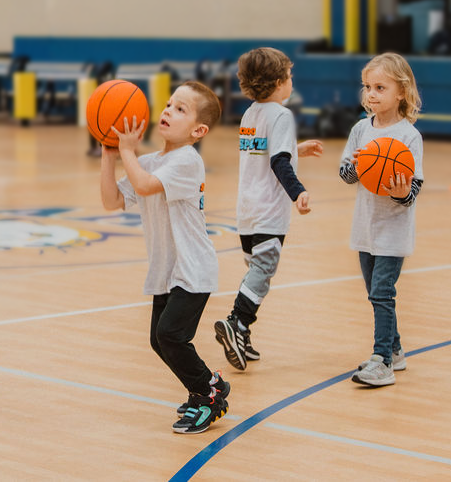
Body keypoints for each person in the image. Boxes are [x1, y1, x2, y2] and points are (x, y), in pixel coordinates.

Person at [100, 80, 230, 433]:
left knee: (171, 335)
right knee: (159, 340)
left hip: (193, 268)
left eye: (181, 109)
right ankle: (206, 383)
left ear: (198, 130)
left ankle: (208, 395)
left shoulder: (187, 160)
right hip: (168, 268)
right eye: (170, 104)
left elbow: (143, 185)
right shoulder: (151, 161)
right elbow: (112, 201)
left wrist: (127, 150)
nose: (169, 111)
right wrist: (109, 154)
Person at [214, 47, 323, 370]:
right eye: (289, 76)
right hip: (268, 213)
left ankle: (242, 332)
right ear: (278, 82)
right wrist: (298, 192)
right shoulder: (281, 115)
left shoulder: (251, 113)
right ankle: (236, 322)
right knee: (263, 272)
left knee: (256, 272)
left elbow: (264, 154)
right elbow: (278, 162)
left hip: (246, 211)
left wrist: (295, 148)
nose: (292, 82)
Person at [339, 52, 423, 387]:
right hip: (365, 229)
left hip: (393, 231)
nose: (371, 94)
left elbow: (412, 193)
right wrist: (358, 167)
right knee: (375, 293)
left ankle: (382, 360)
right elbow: (346, 174)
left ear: (401, 91)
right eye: (367, 87)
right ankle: (397, 350)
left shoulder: (408, 136)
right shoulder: (360, 130)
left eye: (380, 87)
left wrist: (399, 190)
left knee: (382, 293)